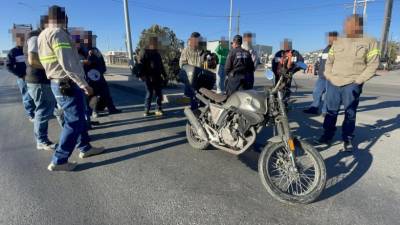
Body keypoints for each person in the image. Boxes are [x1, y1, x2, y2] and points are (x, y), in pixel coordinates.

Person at [38, 5, 104, 171]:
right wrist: (84, 84)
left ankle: (85, 147)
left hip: (57, 81)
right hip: (67, 83)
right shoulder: (58, 34)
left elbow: (56, 60)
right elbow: (67, 64)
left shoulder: (42, 35)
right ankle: (60, 160)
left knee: (78, 117)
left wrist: (79, 64)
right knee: (74, 121)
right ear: (63, 18)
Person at [317, 15, 380, 152]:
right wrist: (329, 76)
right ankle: (327, 135)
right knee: (331, 111)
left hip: (352, 83)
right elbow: (329, 61)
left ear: (359, 26)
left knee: (350, 112)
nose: (346, 26)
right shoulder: (338, 41)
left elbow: (373, 64)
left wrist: (358, 80)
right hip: (334, 82)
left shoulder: (370, 41)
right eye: (346, 24)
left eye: (350, 24)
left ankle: (347, 139)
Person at [25, 15, 59, 151]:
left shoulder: (44, 36)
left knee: (55, 108)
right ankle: (41, 140)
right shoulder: (35, 37)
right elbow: (32, 60)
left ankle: (74, 134)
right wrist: (52, 68)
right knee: (43, 111)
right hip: (38, 80)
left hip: (46, 79)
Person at [81, 31, 121, 116]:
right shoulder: (81, 50)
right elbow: (83, 62)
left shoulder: (95, 50)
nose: (88, 40)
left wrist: (102, 70)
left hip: (99, 76)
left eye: (89, 38)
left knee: (105, 92)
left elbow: (101, 60)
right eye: (86, 38)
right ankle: (93, 112)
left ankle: (111, 109)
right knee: (91, 95)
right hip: (88, 77)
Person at [304, 31, 338, 115]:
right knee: (316, 92)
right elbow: (322, 62)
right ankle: (314, 108)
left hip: (331, 76)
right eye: (328, 38)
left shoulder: (338, 48)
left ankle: (325, 111)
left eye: (331, 38)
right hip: (322, 76)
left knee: (328, 95)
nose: (329, 40)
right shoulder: (326, 49)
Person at [6, 33, 36, 122]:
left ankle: (37, 112)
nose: (23, 41)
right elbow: (9, 66)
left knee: (35, 95)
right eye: (21, 40)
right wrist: (20, 75)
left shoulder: (29, 50)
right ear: (16, 41)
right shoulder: (13, 52)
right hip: (23, 78)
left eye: (24, 39)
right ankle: (31, 114)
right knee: (27, 96)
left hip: (33, 77)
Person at [139, 37, 167, 116]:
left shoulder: (157, 54)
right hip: (148, 77)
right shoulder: (145, 52)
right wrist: (142, 76)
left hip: (157, 77)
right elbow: (141, 65)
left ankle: (158, 109)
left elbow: (161, 66)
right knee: (149, 93)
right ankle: (146, 110)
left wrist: (165, 75)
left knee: (159, 93)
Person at [179, 32, 205, 109]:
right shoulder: (186, 50)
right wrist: (190, 70)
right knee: (191, 96)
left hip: (200, 76)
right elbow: (182, 64)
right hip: (191, 77)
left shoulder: (201, 50)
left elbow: (205, 62)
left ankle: (201, 110)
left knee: (201, 95)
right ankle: (193, 112)